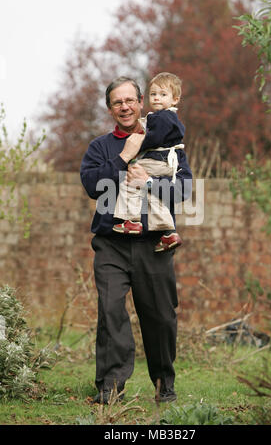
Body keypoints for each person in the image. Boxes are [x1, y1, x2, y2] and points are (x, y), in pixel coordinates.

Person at [80, 76, 192, 405]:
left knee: (160, 317)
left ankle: (164, 388)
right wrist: (124, 156)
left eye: (130, 100)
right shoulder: (100, 147)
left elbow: (184, 191)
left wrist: (148, 183)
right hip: (111, 244)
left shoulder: (168, 145)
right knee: (111, 311)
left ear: (142, 102)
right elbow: (92, 187)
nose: (125, 107)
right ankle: (110, 390)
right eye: (118, 102)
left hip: (154, 246)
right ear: (110, 108)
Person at [112, 72, 185, 253]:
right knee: (154, 196)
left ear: (175, 99)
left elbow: (155, 138)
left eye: (163, 94)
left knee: (131, 181)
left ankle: (131, 221)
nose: (157, 98)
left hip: (157, 159)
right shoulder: (170, 117)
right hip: (166, 162)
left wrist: (138, 143)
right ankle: (168, 232)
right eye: (154, 94)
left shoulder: (162, 117)